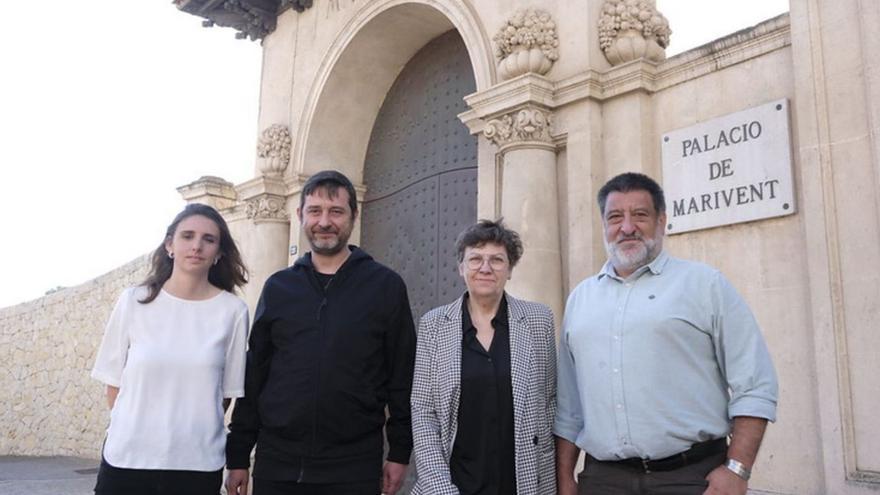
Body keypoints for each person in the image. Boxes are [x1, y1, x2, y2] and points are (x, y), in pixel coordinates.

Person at [554, 172, 778, 495]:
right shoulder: (580, 299)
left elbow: (756, 384)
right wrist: (565, 479)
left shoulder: (705, 285)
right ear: (603, 225)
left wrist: (737, 469)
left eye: (640, 215)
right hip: (603, 481)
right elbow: (569, 407)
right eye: (615, 217)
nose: (627, 227)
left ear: (662, 221)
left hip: (691, 478)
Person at [225, 170, 416, 495]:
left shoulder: (385, 287)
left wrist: (400, 451)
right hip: (277, 463)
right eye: (315, 211)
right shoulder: (279, 288)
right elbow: (255, 372)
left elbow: (402, 375)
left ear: (353, 216)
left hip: (353, 465)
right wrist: (239, 453)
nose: (324, 221)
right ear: (300, 215)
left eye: (336, 211)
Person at [91, 203, 250, 495]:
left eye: (209, 239)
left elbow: (224, 396)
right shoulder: (133, 302)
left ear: (219, 253)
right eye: (187, 236)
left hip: (197, 465)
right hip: (127, 460)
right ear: (170, 245)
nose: (197, 246)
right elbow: (114, 386)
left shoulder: (233, 312)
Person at [411, 219, 557, 495]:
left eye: (497, 260)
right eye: (475, 259)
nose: (486, 268)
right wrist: (440, 487)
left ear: (510, 269)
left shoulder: (539, 320)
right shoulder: (434, 325)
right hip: (454, 484)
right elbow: (422, 410)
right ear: (461, 267)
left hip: (523, 482)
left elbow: (548, 402)